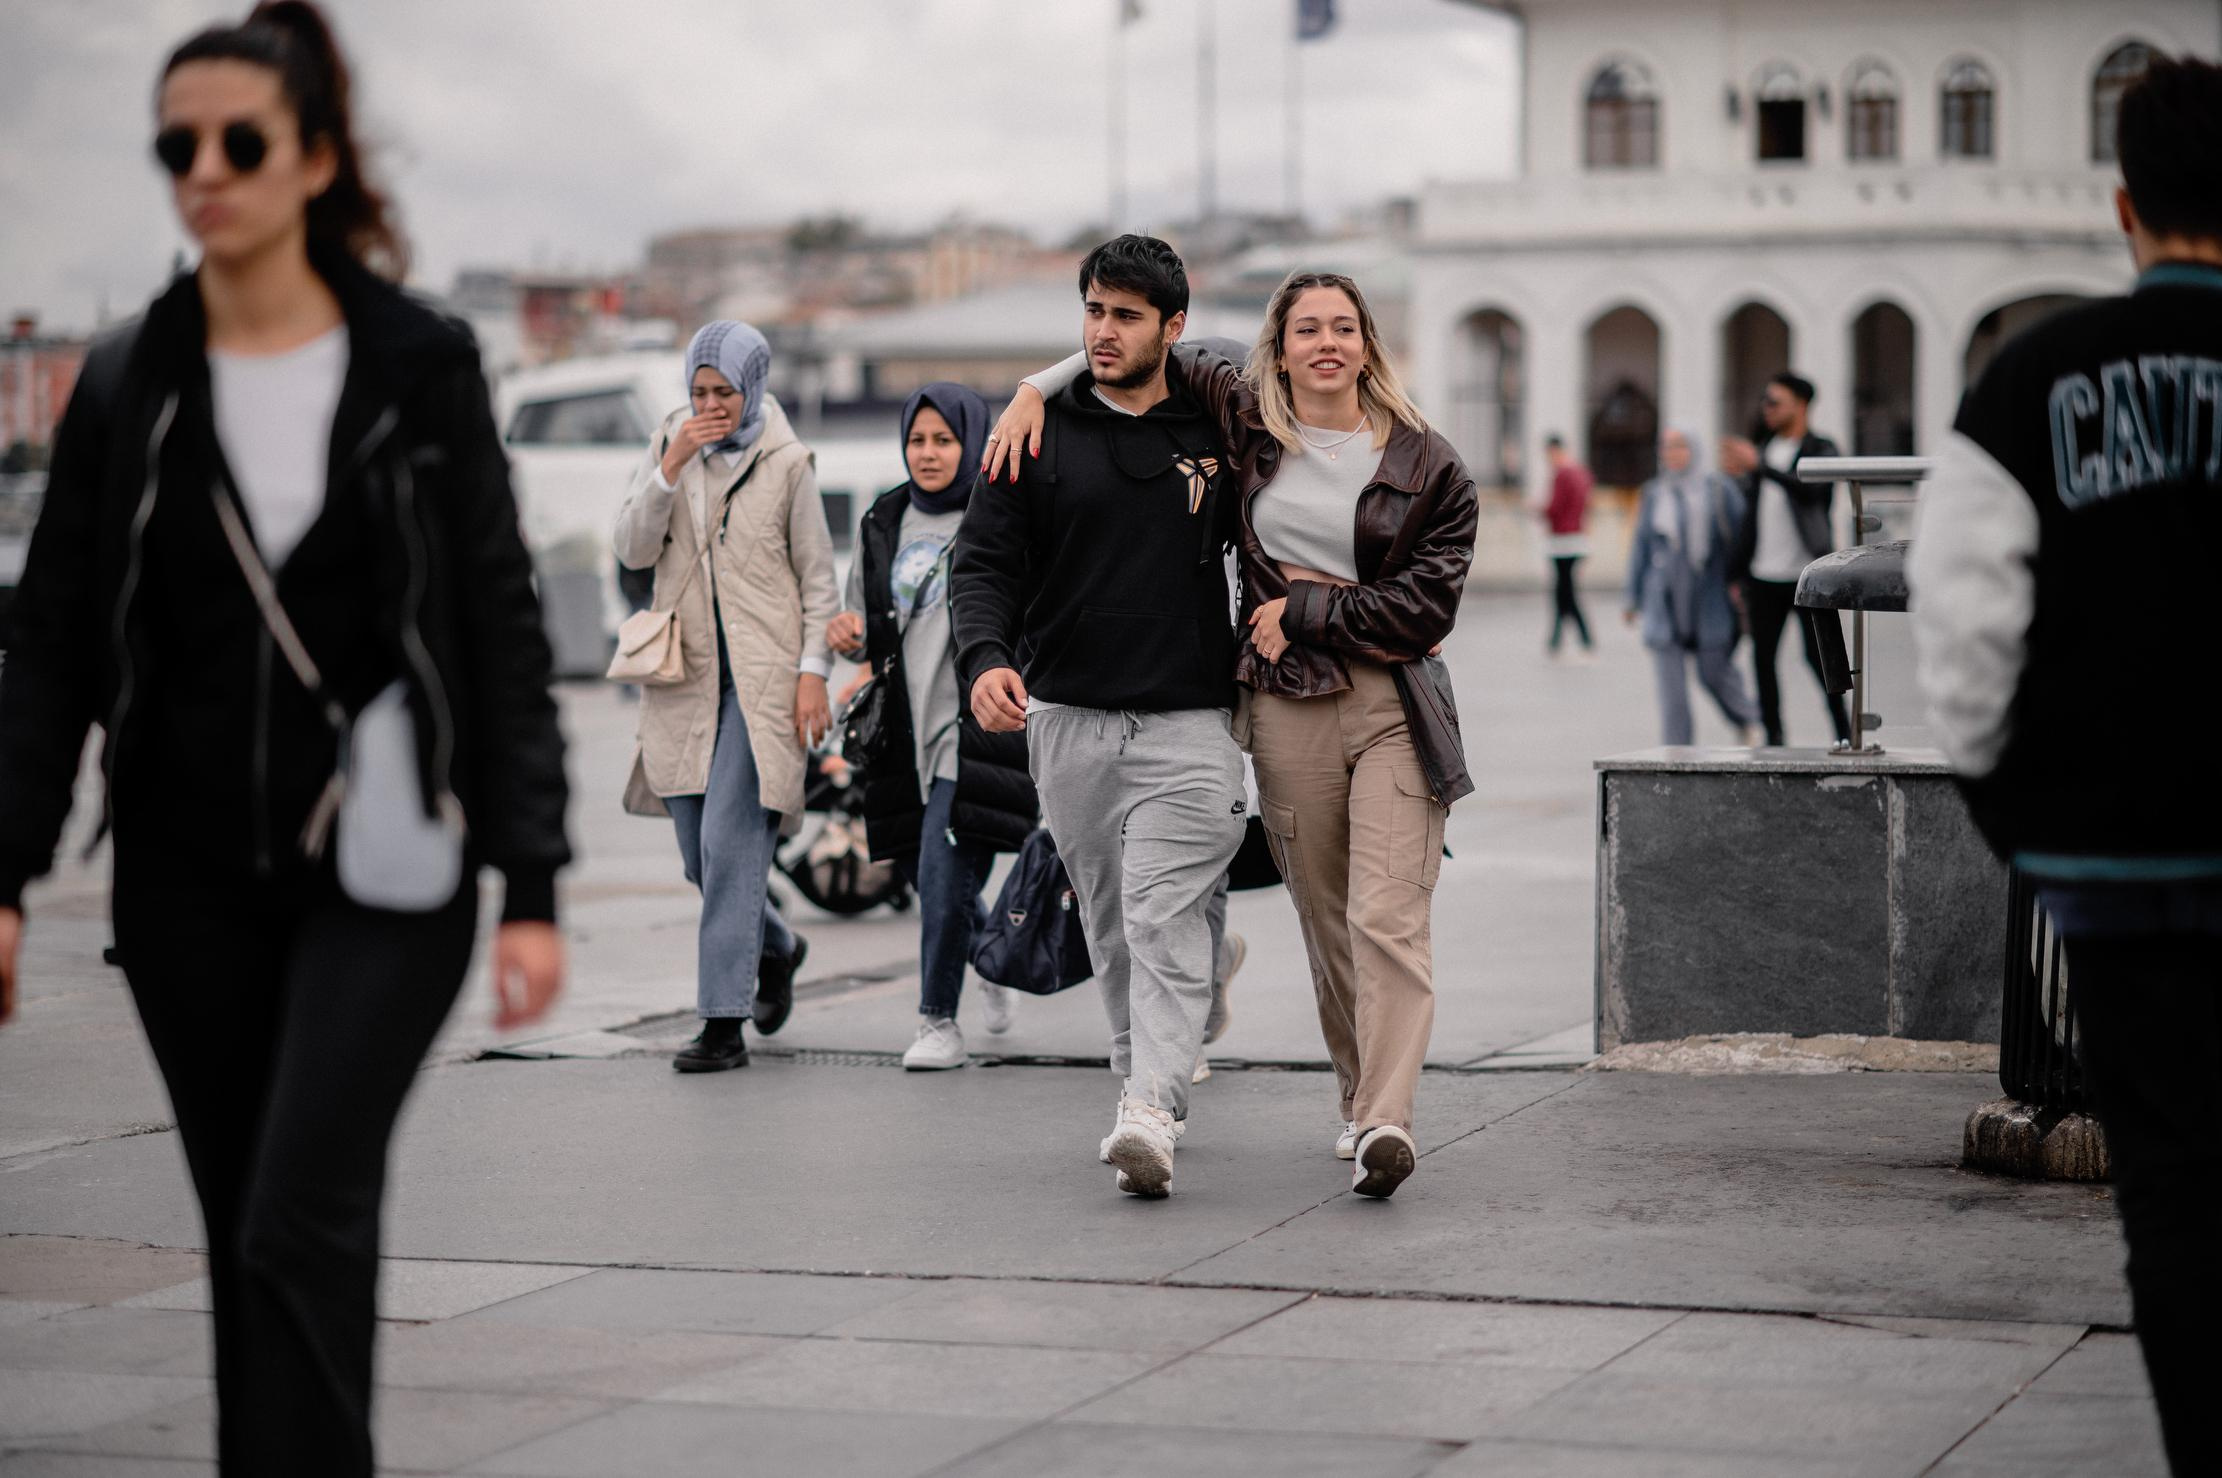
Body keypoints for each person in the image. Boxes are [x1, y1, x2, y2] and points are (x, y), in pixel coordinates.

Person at [0, 4, 569, 1469]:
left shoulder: (417, 366)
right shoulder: (130, 381)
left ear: (314, 159)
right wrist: (4, 866)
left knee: (293, 1207)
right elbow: (53, 634)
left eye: (239, 141)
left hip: (385, 871)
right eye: (176, 144)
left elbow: (497, 623)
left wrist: (535, 882)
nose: (205, 169)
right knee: (257, 1237)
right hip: (184, 882)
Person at [989, 269, 1476, 1198]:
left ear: (1368, 343)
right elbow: (1133, 344)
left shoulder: (1429, 465)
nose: (1326, 343)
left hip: (1395, 706)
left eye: (1344, 327)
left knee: (1388, 917)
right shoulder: (1245, 419)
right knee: (1329, 919)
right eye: (1306, 330)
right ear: (1280, 347)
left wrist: (1304, 607)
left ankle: (1386, 1118)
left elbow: (1424, 606)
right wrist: (1029, 391)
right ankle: (1354, 1097)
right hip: (1286, 706)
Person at [1908, 54, 2222, 1477]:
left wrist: (2023, 822)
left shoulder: (2027, 378)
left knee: (2169, 1189)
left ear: (2120, 206)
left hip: (2116, 869)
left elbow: (1964, 650)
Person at [952, 235, 1247, 1199]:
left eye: (1125, 315)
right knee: (1117, 924)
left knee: (1159, 913)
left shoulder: (1219, 421)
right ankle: (1148, 1078)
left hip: (1192, 721)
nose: (1103, 331)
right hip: (1068, 718)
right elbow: (984, 565)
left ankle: (1150, 1108)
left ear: (1174, 326)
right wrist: (986, 659)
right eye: (1092, 312)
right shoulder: (1031, 435)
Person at [613, 320, 837, 1072]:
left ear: (754, 387)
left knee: (730, 846)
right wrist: (670, 467)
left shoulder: (788, 461)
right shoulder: (669, 444)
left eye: (724, 392)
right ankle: (779, 944)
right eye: (697, 392)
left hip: (764, 681)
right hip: (683, 679)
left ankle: (721, 1023)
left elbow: (817, 576)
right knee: (695, 855)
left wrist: (813, 673)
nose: (709, 406)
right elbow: (632, 550)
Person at [827, 383, 1037, 1070]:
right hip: (903, 735)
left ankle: (937, 1021)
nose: (928, 453)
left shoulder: (998, 513)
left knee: (946, 873)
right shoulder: (884, 520)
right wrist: (848, 637)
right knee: (930, 875)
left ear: (969, 442)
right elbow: (867, 626)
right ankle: (991, 961)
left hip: (972, 727)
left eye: (943, 440)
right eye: (917, 441)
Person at [1719, 373, 1849, 746]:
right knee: (1762, 660)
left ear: (1801, 404)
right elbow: (1751, 513)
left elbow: (1812, 491)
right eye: (1765, 401)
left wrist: (1760, 466)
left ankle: (1844, 732)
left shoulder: (1821, 448)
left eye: (1775, 401)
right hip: (1763, 574)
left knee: (1821, 659)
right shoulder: (1765, 446)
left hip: (1808, 574)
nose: (1767, 409)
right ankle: (1773, 737)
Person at [1625, 428, 1761, 747]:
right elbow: (1641, 545)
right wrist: (1632, 597)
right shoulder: (1654, 492)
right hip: (1664, 596)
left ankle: (1747, 719)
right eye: (1666, 447)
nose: (1672, 454)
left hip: (1710, 593)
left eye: (1679, 446)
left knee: (1713, 670)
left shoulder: (1718, 489)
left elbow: (1743, 538)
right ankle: (1678, 751)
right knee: (1671, 688)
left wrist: (1744, 584)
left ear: (1695, 449)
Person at [1537, 434, 1594, 661]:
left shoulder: (1562, 474)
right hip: (1576, 538)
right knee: (1564, 590)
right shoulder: (1580, 472)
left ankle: (1581, 637)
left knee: (1565, 592)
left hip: (1562, 541)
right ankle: (1558, 638)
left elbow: (1555, 508)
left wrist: (1538, 509)